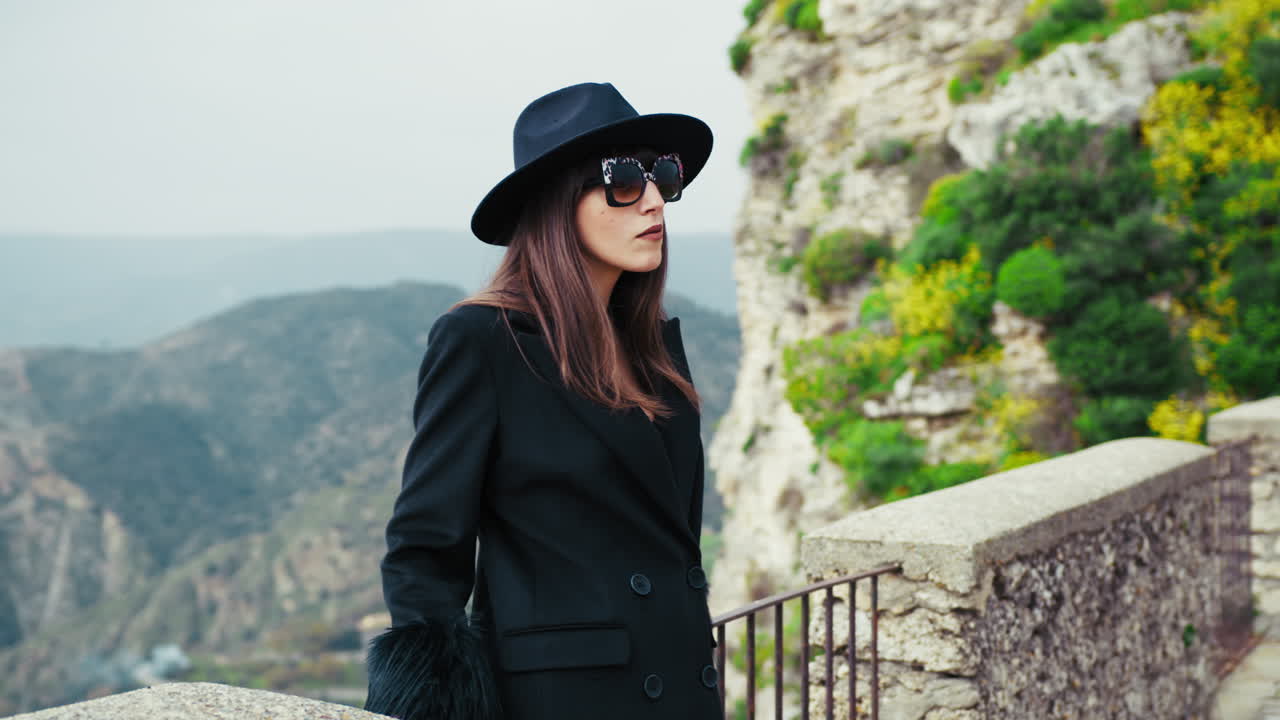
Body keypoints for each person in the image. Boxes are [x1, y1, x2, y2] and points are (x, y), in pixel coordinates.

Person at [363, 82, 721, 720]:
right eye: (623, 180)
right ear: (559, 201)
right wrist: (441, 703)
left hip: (682, 685)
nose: (655, 202)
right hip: (564, 699)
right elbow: (426, 546)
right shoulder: (482, 341)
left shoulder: (651, 348)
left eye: (663, 177)